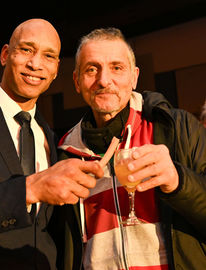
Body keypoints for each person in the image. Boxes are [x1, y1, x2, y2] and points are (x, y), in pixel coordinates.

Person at [0, 19, 103, 270]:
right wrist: (28, 189)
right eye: (26, 50)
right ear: (5, 55)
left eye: (48, 56)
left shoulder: (48, 135)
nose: (35, 64)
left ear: (56, 69)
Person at [57, 28, 206, 270]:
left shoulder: (178, 129)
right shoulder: (65, 152)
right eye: (91, 69)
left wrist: (179, 182)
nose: (104, 80)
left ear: (135, 77)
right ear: (76, 81)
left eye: (117, 68)